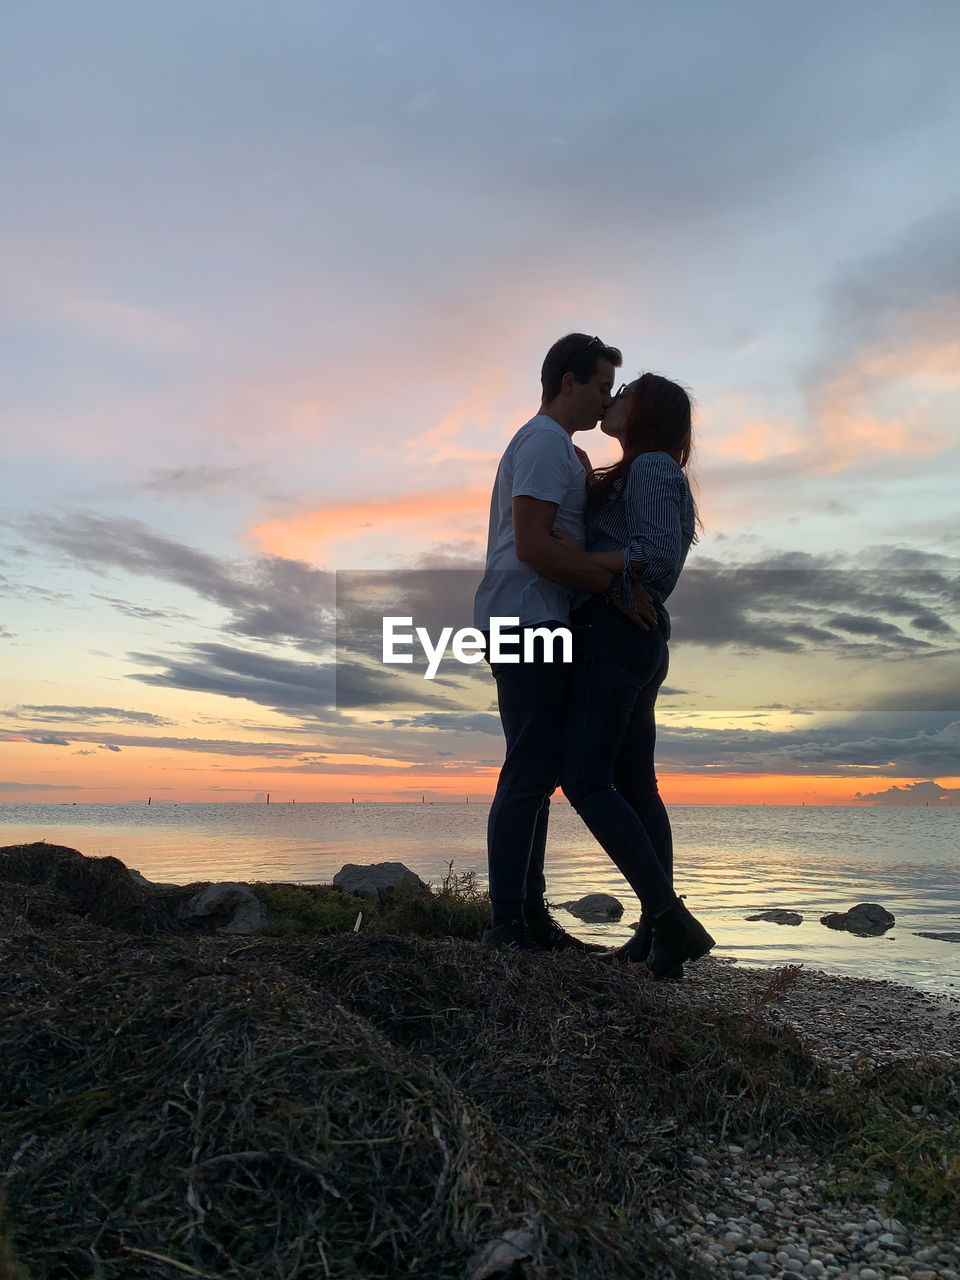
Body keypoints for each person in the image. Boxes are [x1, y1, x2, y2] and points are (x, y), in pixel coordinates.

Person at [473, 334, 657, 952]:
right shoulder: (547, 444)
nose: (606, 399)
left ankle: (528, 915)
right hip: (524, 619)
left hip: (536, 619)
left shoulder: (557, 450)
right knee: (529, 769)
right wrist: (619, 577)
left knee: (540, 768)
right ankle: (509, 922)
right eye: (602, 386)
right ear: (570, 381)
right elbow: (534, 547)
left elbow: (553, 541)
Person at [555, 372, 715, 979]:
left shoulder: (651, 467)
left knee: (586, 779)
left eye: (626, 392)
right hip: (631, 637)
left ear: (647, 411)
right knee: (633, 783)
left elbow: (656, 555)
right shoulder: (638, 470)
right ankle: (656, 935)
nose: (613, 398)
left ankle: (670, 919)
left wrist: (579, 567)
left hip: (616, 634)